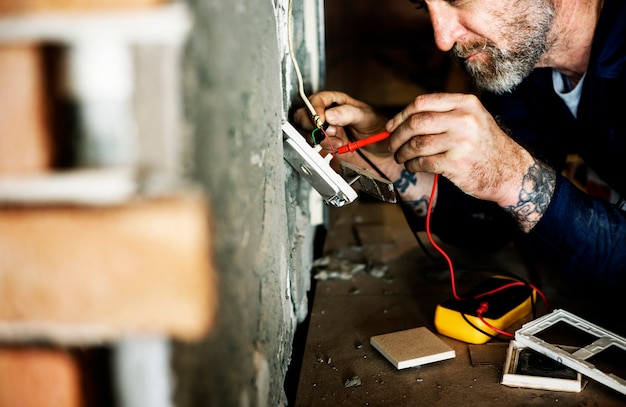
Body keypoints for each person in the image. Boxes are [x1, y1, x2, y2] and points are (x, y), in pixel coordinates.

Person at [293, 0, 626, 293]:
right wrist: (391, 157)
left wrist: (509, 174)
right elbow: (491, 224)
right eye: (425, 6)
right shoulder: (522, 64)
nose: (443, 38)